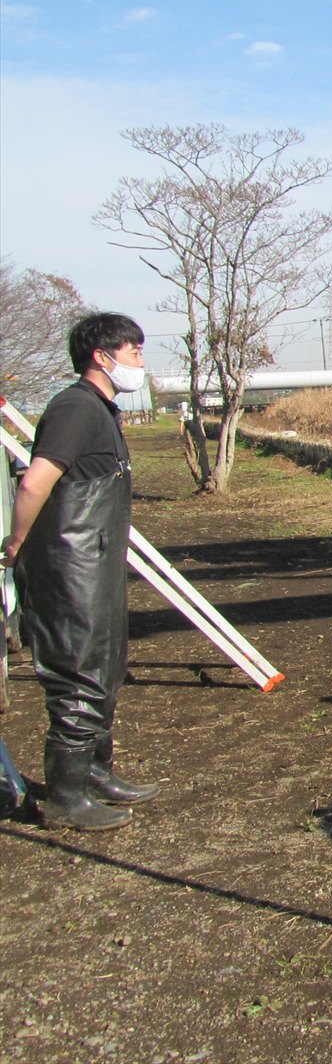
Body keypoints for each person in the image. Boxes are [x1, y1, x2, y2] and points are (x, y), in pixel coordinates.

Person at [2, 313, 158, 831]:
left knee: (106, 666)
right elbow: (34, 483)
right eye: (134, 352)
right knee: (78, 675)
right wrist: (20, 542)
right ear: (102, 356)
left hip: (96, 559)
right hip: (69, 566)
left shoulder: (101, 409)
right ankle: (65, 797)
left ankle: (97, 772)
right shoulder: (74, 408)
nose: (140, 362)